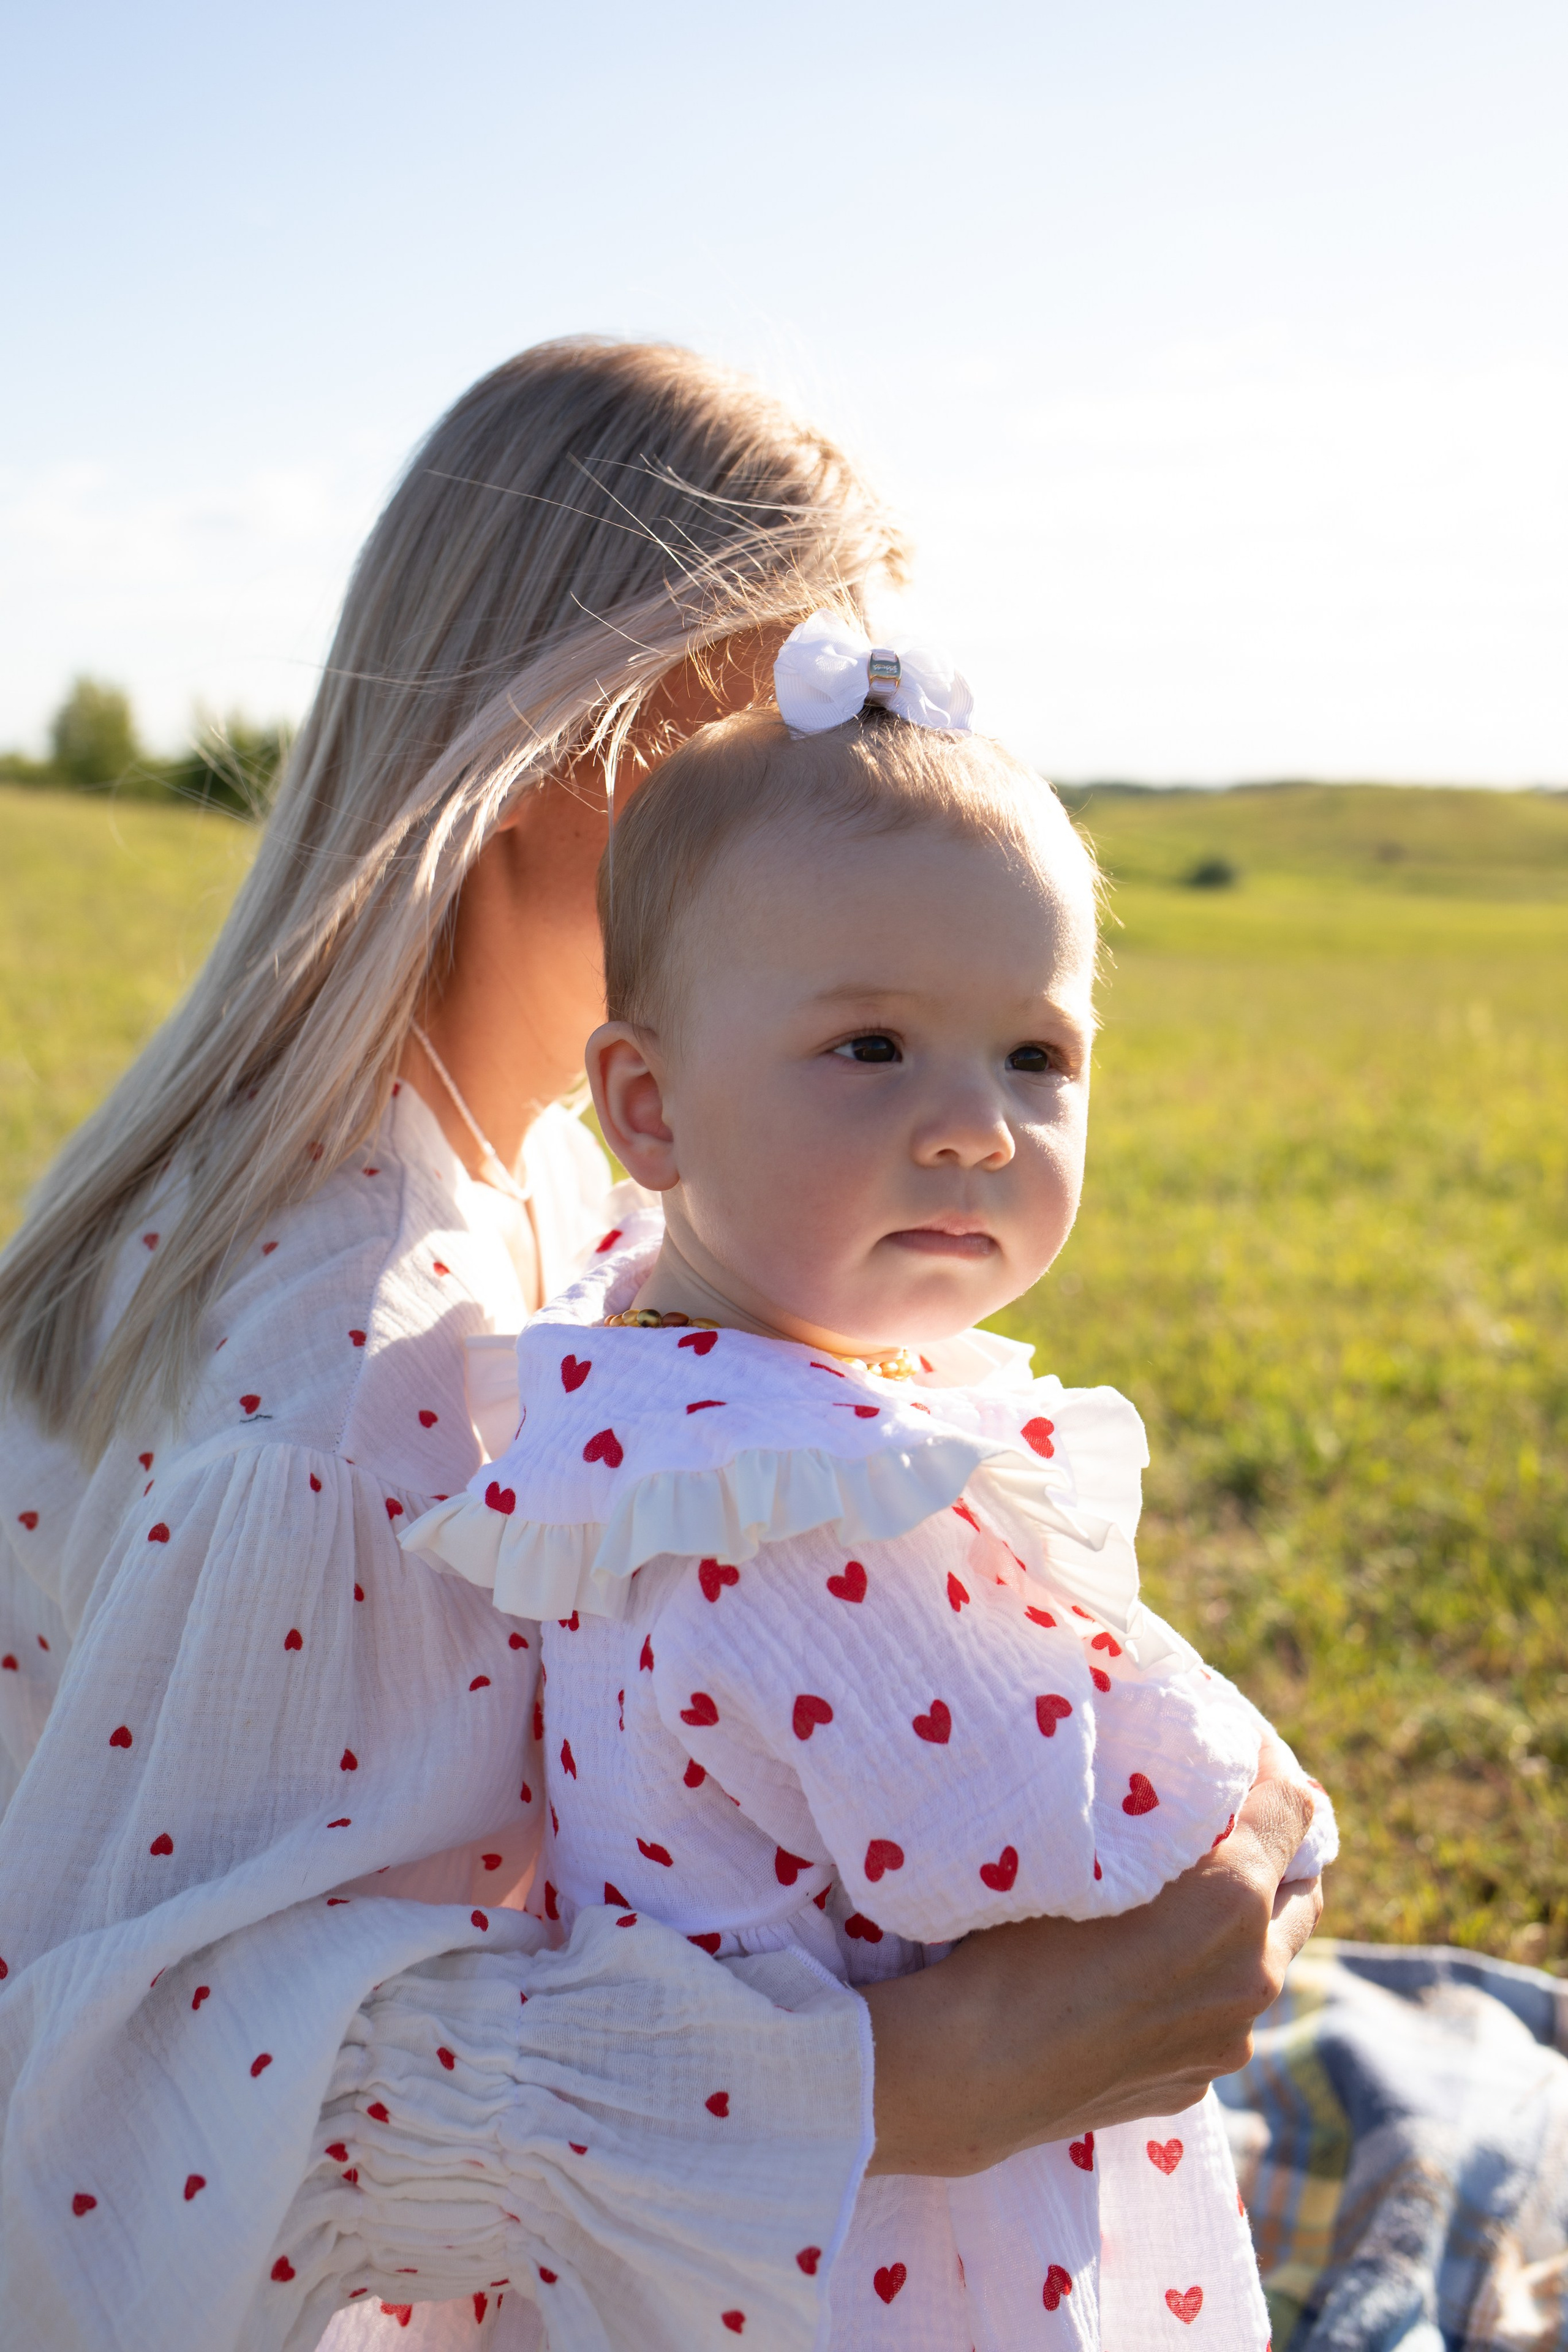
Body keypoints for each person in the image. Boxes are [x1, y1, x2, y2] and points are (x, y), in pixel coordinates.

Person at [0, 342, 1321, 2352]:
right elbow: (137, 2132)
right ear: (559, 750)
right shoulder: (355, 1369)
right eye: (784, 727)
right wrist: (927, 2078)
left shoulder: (531, 1161)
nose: (850, 797)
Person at [405, 627, 1336, 2348]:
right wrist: (1272, 1804)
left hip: (747, 2246)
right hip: (898, 2264)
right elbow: (1074, 1844)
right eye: (873, 1049)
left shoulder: (658, 1369)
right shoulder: (808, 1502)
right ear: (648, 1105)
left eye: (1035, 1058)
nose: (977, 1124)